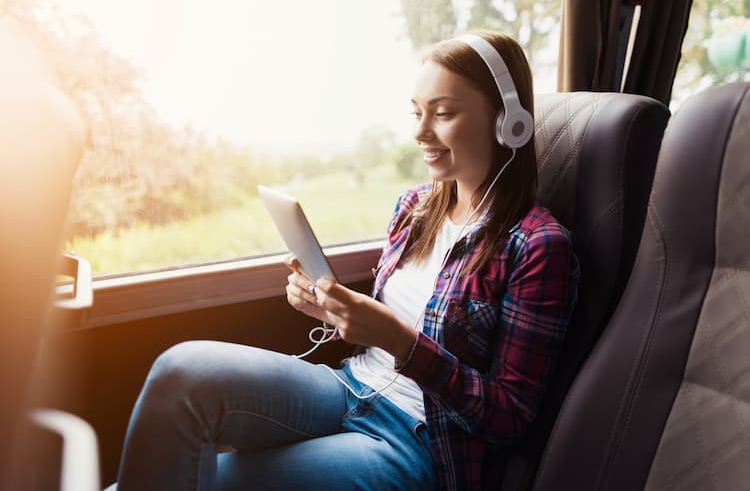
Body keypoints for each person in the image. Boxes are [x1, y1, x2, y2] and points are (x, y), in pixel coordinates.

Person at [108, 30, 579, 491]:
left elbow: (509, 417)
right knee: (182, 372)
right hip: (349, 387)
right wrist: (331, 309)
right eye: (416, 112)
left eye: (444, 113)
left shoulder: (537, 246)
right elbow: (389, 325)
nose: (419, 132)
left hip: (418, 441)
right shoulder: (415, 208)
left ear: (507, 122)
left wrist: (400, 341)